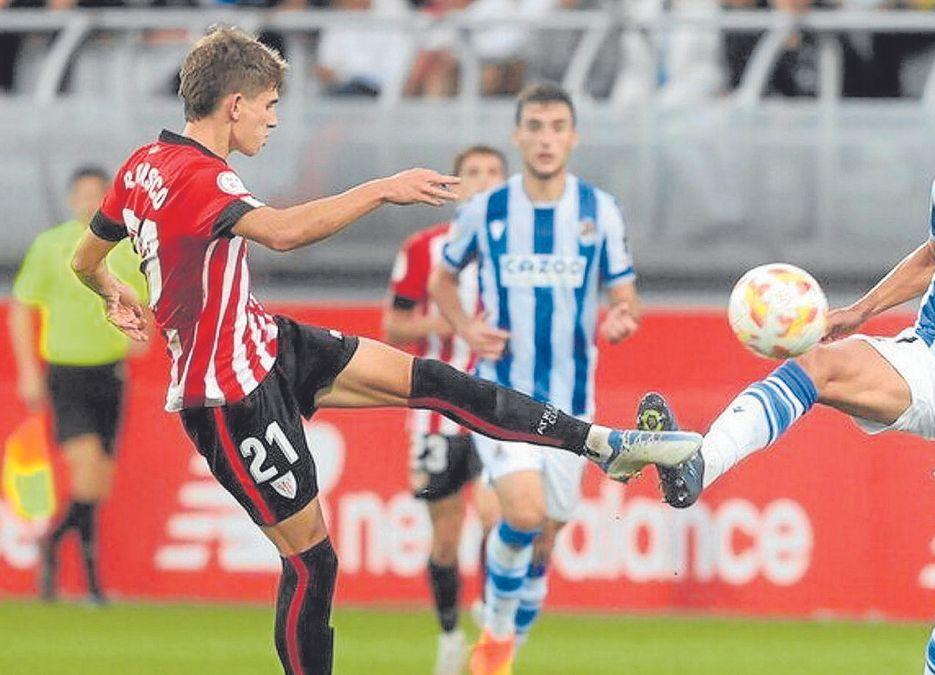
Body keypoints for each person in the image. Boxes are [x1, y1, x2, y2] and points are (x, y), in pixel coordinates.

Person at [68, 27, 699, 675]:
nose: (274, 119)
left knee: (436, 379)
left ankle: (603, 444)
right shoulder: (205, 179)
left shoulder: (144, 164)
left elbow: (84, 257)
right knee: (313, 562)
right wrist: (381, 188)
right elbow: (283, 233)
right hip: (229, 396)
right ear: (235, 105)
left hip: (268, 342)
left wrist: (109, 287)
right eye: (269, 104)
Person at [649, 49, 935, 675]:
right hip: (930, 361)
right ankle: (700, 460)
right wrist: (861, 311)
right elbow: (933, 255)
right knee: (820, 367)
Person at [429, 82, 642, 675]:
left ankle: (507, 649)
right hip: (500, 392)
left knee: (543, 539)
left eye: (557, 128)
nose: (546, 139)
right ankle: (494, 638)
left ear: (573, 137)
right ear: (518, 136)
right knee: (519, 514)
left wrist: (623, 315)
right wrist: (466, 330)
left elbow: (624, 291)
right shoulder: (486, 210)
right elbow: (442, 282)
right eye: (536, 127)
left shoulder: (599, 210)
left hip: (574, 405)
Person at [381, 144, 506, 675]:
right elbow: (395, 326)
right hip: (439, 409)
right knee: (447, 535)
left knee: (503, 518)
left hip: (503, 407)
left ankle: (493, 618)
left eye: (492, 173)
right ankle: (451, 633)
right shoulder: (425, 248)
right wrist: (456, 325)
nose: (481, 181)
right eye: (472, 172)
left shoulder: (523, 249)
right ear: (455, 185)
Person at [9, 166, 148, 605]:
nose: (91, 202)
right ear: (73, 200)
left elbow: (145, 300)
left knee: (98, 485)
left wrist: (145, 328)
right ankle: (82, 574)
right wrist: (29, 371)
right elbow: (21, 306)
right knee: (86, 472)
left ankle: (72, 565)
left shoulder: (126, 248)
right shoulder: (52, 246)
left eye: (99, 195)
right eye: (84, 194)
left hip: (110, 372)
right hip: (66, 372)